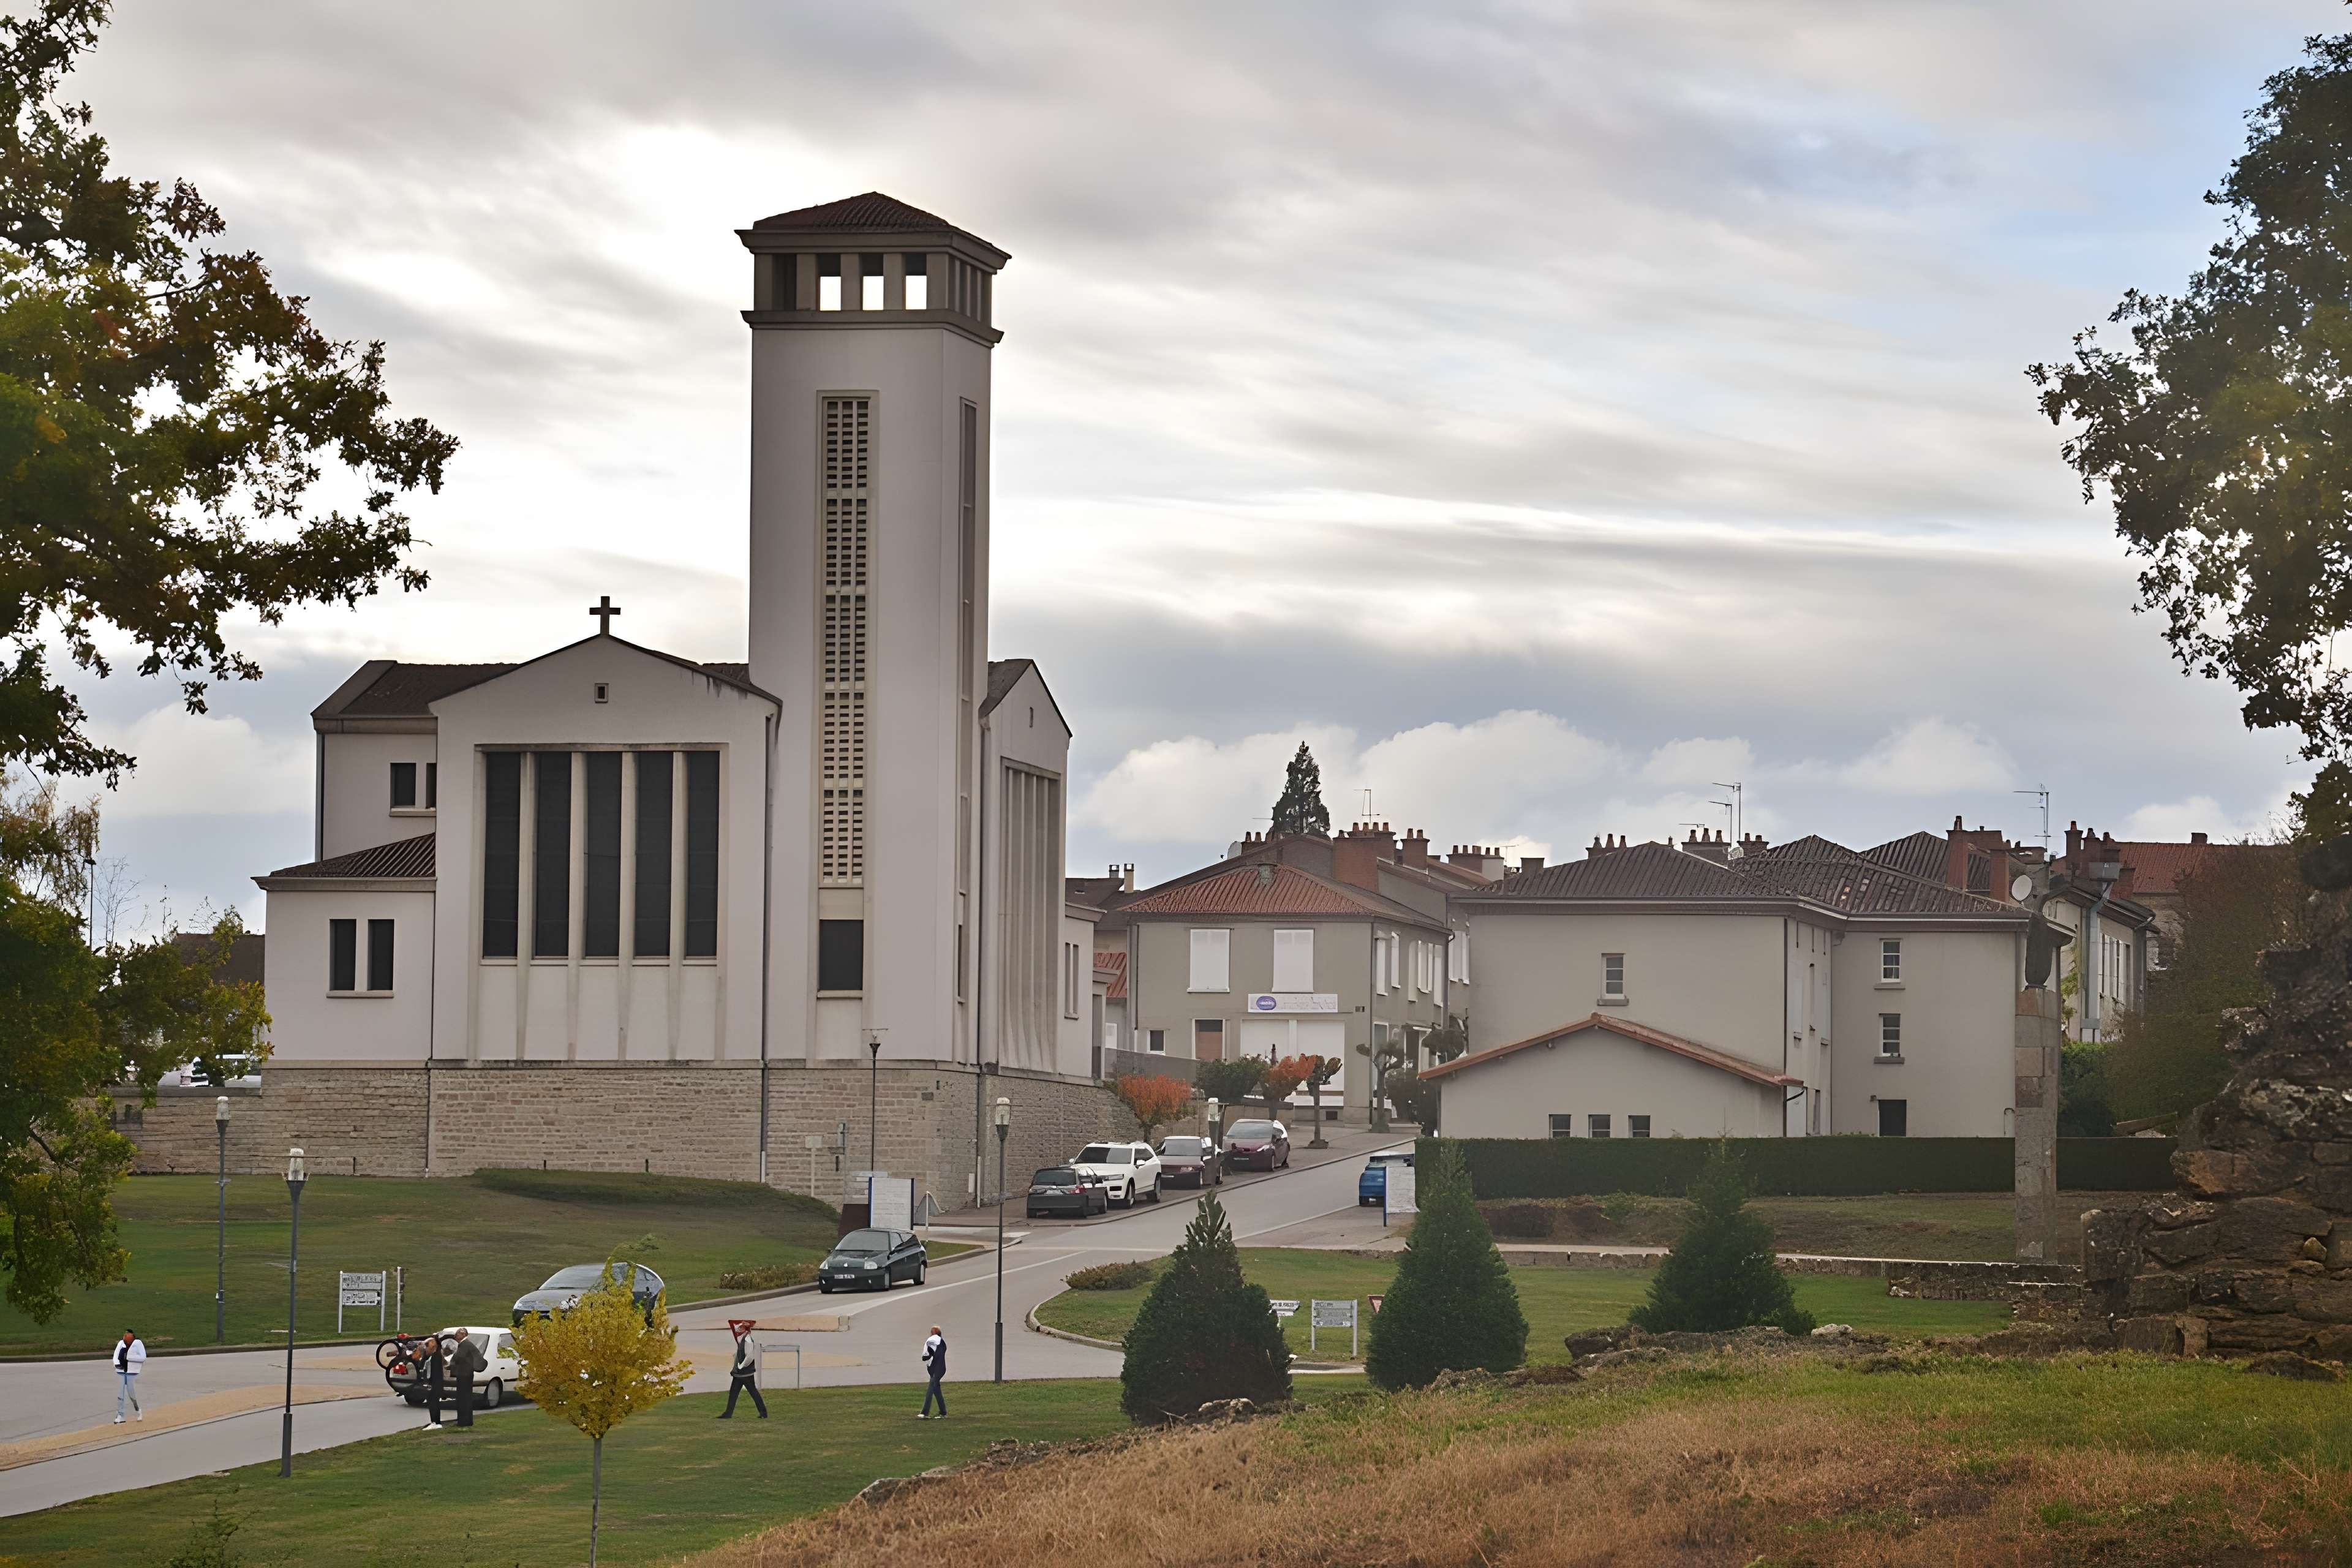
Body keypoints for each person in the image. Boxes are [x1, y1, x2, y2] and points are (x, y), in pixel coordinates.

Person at [718, 1321, 767, 1419]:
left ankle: (763, 1413)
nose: (738, 1329)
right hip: (739, 1374)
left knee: (753, 1392)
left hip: (745, 1374)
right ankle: (728, 1414)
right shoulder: (741, 1338)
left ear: (746, 1329)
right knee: (733, 1393)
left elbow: (750, 1357)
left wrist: (741, 1366)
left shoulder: (748, 1340)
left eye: (741, 1327)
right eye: (738, 1327)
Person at [447, 1328, 484, 1429]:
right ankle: (464, 1420)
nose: (456, 1335)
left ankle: (464, 1421)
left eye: (458, 1334)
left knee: (464, 1399)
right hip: (466, 1374)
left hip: (464, 1375)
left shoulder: (465, 1344)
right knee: (465, 1398)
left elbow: (459, 1357)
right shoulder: (465, 1344)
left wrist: (449, 1364)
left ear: (464, 1334)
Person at [112, 1329, 146, 1423]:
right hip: (121, 1371)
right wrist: (117, 1364)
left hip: (132, 1372)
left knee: (132, 1395)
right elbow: (116, 1355)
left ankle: (138, 1409)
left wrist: (129, 1358)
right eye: (125, 1336)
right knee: (120, 1395)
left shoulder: (138, 1343)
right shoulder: (121, 1343)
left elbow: (143, 1357)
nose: (126, 1338)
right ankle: (121, 1415)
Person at [415, 1334, 445, 1431]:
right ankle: (436, 1422)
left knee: (433, 1404)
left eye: (426, 1347)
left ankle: (435, 1422)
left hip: (433, 1385)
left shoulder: (435, 1357)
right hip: (434, 1384)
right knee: (434, 1404)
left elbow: (425, 1367)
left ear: (431, 1347)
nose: (425, 1349)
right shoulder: (434, 1356)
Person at [918, 1325, 946, 1419]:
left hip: (937, 1370)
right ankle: (943, 1413)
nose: (931, 1333)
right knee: (936, 1390)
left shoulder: (936, 1341)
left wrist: (927, 1355)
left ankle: (924, 1413)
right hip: (938, 1369)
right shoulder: (940, 1343)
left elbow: (926, 1355)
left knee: (931, 1389)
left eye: (932, 1332)